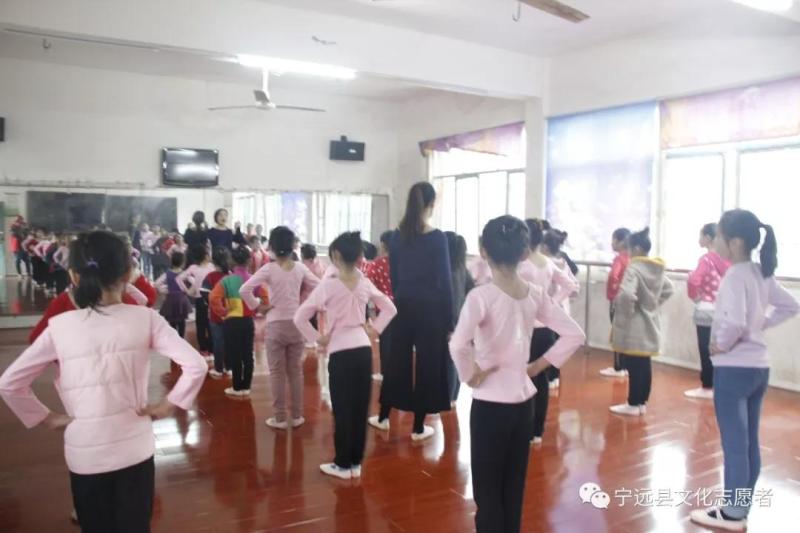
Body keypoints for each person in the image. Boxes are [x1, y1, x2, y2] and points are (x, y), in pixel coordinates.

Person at [0, 230, 207, 533]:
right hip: (135, 449)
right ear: (127, 273)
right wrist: (169, 404)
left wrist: (47, 418)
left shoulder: (59, 327)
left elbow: (9, 383)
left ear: (73, 275)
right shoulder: (145, 318)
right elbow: (196, 365)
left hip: (85, 454)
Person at [449, 215, 584, 533]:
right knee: (513, 487)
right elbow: (574, 335)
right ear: (524, 253)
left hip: (490, 405)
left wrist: (470, 375)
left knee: (488, 491)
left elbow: (457, 344)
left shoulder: (480, 296)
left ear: (484, 251)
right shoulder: (535, 293)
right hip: (523, 403)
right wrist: (536, 367)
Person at [690, 209, 799, 531]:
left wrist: (720, 345)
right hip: (758, 370)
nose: (715, 242)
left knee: (735, 445)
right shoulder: (760, 272)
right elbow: (791, 305)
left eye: (719, 237)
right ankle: (740, 506)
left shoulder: (735, 276)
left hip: (733, 369)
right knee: (749, 442)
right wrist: (760, 325)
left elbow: (735, 322)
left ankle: (733, 514)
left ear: (735, 242)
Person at [294, 231, 397, 480]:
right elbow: (390, 308)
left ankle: (342, 464)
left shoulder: (328, 285)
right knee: (360, 408)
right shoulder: (364, 283)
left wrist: (316, 337)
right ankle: (355, 463)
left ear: (336, 256)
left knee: (342, 409)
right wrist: (375, 329)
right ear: (359, 256)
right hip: (363, 350)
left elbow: (300, 317)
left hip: (340, 352)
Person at [369, 182, 453, 442]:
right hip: (432, 310)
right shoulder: (437, 238)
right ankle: (417, 428)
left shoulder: (397, 237)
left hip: (403, 306)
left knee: (396, 362)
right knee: (428, 364)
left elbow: (395, 276)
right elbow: (445, 282)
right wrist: (450, 321)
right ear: (431, 204)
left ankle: (383, 417)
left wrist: (403, 297)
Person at [240, 226, 319, 427]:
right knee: (296, 371)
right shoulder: (300, 268)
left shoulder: (269, 269)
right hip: (296, 325)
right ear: (293, 246)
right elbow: (320, 287)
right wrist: (307, 307)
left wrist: (258, 306)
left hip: (275, 325)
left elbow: (244, 290)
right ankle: (297, 416)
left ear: (272, 247)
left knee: (276, 372)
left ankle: (280, 417)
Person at [610, 228, 674, 416]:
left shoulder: (634, 268)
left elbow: (626, 295)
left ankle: (633, 403)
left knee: (634, 365)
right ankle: (641, 403)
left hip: (634, 326)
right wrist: (653, 305)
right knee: (644, 364)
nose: (628, 252)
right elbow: (669, 289)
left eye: (629, 249)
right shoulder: (656, 269)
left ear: (637, 249)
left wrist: (627, 314)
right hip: (650, 323)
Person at [210, 246, 267, 397]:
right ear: (249, 261)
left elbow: (213, 298)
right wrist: (257, 308)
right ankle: (246, 386)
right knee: (248, 354)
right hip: (248, 321)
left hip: (231, 322)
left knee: (234, 354)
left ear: (232, 261)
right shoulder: (254, 280)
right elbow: (265, 298)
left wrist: (223, 312)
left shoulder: (226, 280)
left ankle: (236, 387)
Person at [684, 223, 731, 400]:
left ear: (709, 238)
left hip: (706, 309)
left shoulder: (706, 260)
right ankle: (720, 385)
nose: (699, 239)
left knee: (705, 348)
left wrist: (696, 297)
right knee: (720, 348)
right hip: (724, 310)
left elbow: (694, 281)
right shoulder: (728, 260)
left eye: (701, 235)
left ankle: (707, 386)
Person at [540, 228, 580, 389]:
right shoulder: (563, 261)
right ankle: (554, 376)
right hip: (562, 309)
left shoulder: (545, 263)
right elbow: (574, 285)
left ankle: (550, 376)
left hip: (550, 309)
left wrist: (554, 300)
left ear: (545, 246)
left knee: (549, 344)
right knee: (557, 343)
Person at [444, 231, 475, 404]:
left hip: (452, 323)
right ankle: (453, 396)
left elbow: (454, 302)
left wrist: (452, 326)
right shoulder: (463, 269)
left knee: (450, 360)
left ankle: (448, 397)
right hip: (462, 321)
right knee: (454, 359)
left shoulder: (450, 272)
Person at [600, 227, 632, 378]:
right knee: (625, 333)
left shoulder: (619, 259)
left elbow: (614, 275)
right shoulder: (632, 258)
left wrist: (615, 289)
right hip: (628, 300)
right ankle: (626, 366)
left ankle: (618, 367)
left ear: (620, 242)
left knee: (617, 332)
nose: (611, 243)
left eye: (613, 239)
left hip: (617, 300)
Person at [178, 244, 216, 357]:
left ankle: (203, 348)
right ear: (206, 256)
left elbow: (179, 279)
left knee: (200, 324)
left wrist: (187, 291)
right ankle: (212, 348)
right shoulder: (212, 267)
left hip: (199, 299)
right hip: (211, 299)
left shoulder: (193, 268)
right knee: (210, 324)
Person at [365, 231, 394, 382]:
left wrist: (371, 313)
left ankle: (385, 373)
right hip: (403, 307)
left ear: (383, 245)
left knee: (386, 343)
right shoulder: (404, 263)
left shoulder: (376, 264)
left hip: (383, 310)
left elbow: (368, 286)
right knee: (400, 342)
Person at [203, 247, 232, 379]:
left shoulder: (210, 277)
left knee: (218, 342)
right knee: (230, 341)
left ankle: (219, 368)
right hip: (231, 314)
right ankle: (230, 367)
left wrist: (210, 304)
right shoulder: (231, 276)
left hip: (215, 315)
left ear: (213, 262)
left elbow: (204, 293)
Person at [155, 252, 192, 338]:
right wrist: (188, 291)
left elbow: (156, 283)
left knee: (172, 322)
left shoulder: (167, 274)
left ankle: (174, 339)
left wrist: (165, 290)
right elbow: (194, 282)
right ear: (183, 262)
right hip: (182, 300)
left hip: (171, 299)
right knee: (182, 321)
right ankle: (181, 339)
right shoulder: (185, 273)